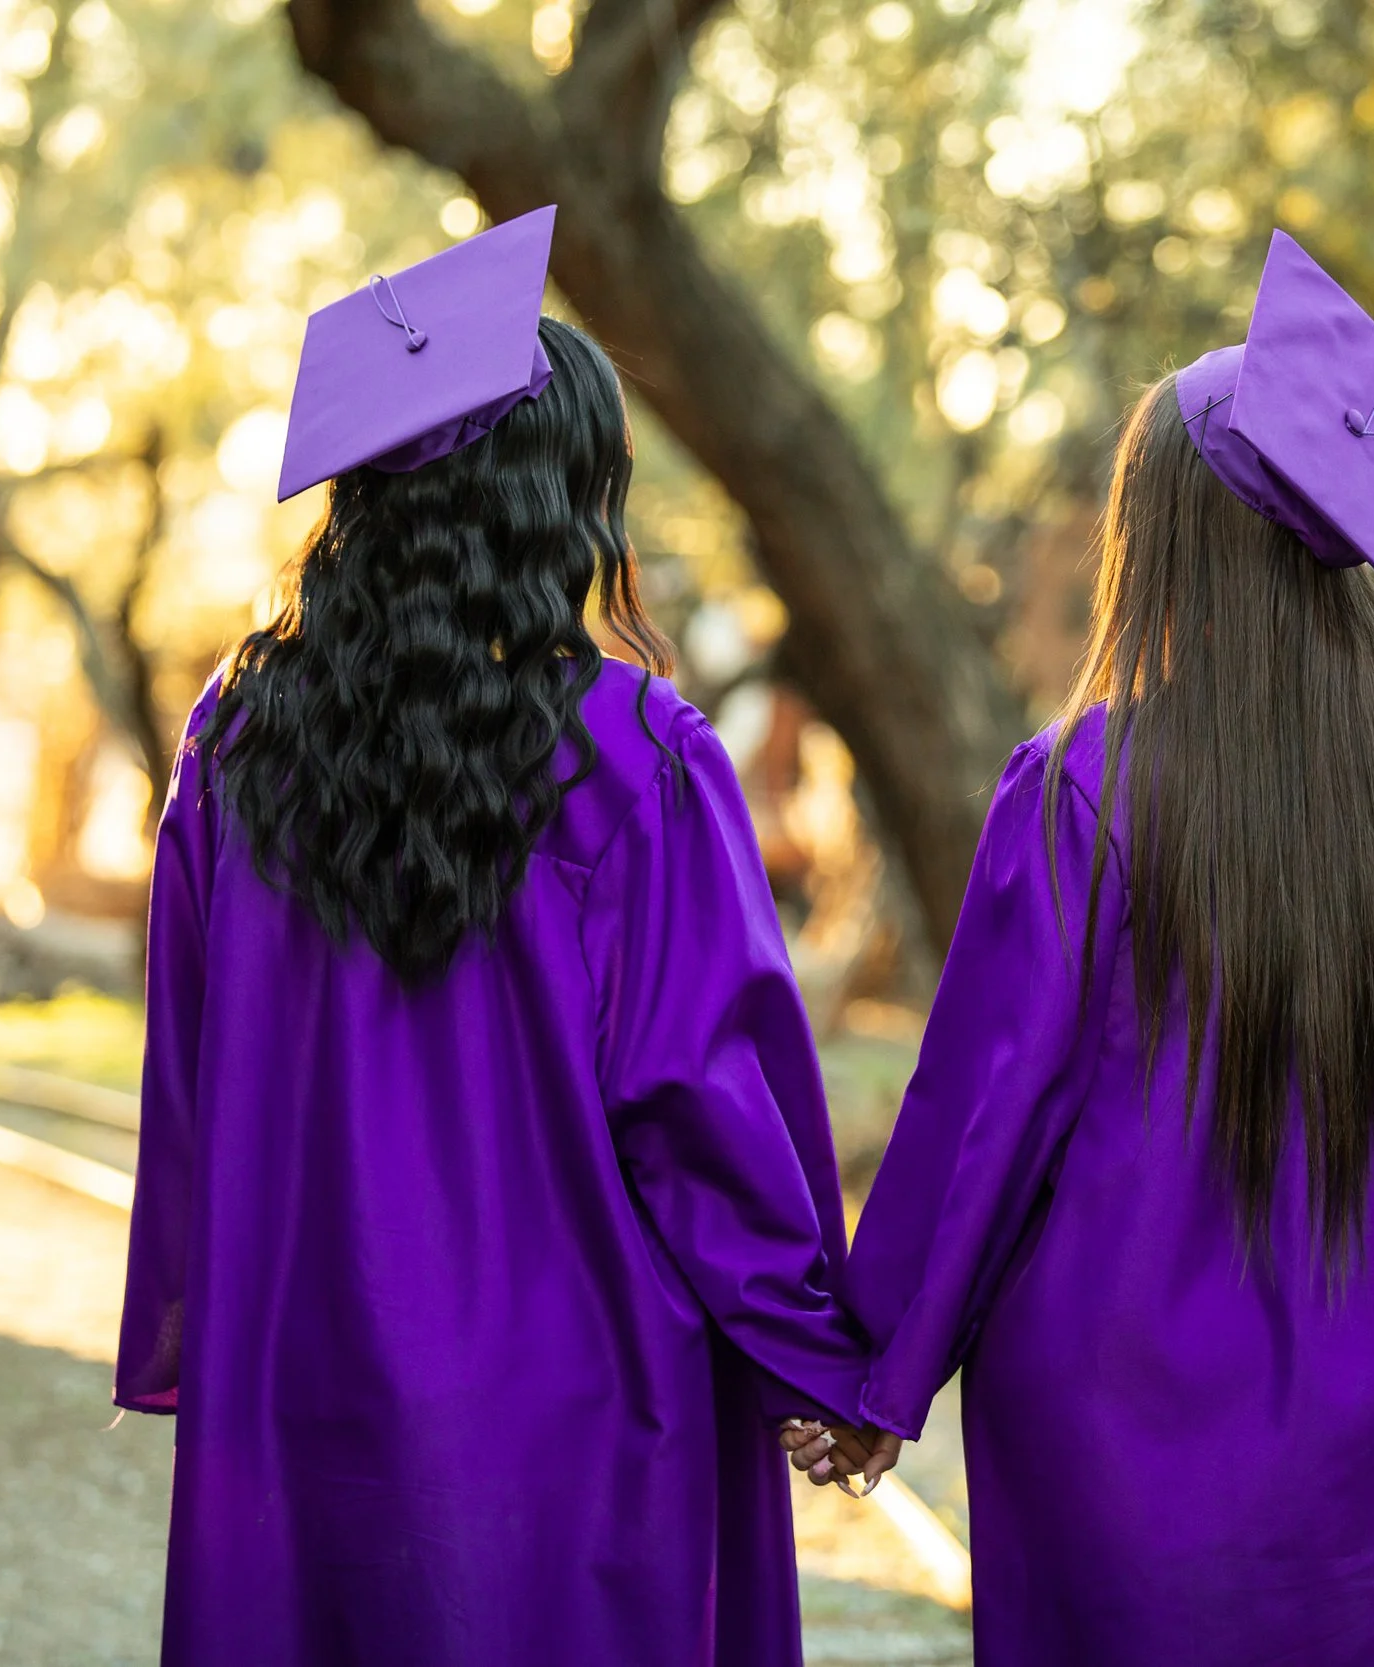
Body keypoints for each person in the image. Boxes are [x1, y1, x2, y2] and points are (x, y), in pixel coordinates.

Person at [788, 232, 1374, 1663]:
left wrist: (874, 1368)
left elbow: (986, 1114)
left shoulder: (1087, 784)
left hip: (1111, 1427)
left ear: (1165, 542)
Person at [116, 207, 868, 1666]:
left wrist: (207, 1320)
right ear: (550, 508)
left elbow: (190, 1083)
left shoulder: (236, 743)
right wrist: (817, 1349)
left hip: (304, 1360)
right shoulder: (638, 753)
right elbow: (701, 1100)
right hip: (583, 1402)